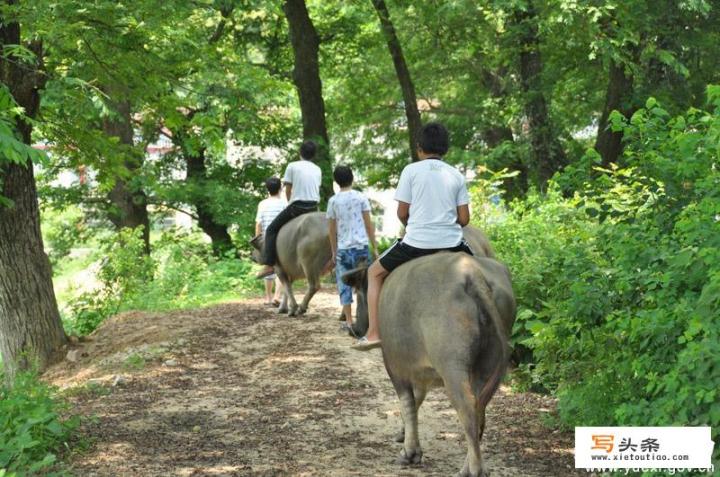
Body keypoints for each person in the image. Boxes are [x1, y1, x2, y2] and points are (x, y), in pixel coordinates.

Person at [353, 122, 472, 351]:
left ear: (419, 148)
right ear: (445, 149)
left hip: (416, 243)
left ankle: (374, 332)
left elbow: (402, 212)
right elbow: (464, 219)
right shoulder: (456, 175)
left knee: (374, 273)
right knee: (483, 275)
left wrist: (415, 225)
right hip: (452, 244)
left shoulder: (410, 171)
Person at [256, 140, 322, 278]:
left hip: (297, 207)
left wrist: (289, 203)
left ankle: (269, 264)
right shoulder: (317, 169)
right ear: (314, 155)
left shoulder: (292, 166)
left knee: (272, 229)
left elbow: (288, 189)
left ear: (300, 152)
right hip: (313, 207)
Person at [327, 165, 377, 333]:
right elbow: (369, 225)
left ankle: (349, 322)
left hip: (343, 249)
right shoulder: (361, 197)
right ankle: (368, 320)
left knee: (344, 285)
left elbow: (331, 230)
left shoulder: (333, 201)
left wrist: (334, 252)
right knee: (364, 285)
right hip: (361, 247)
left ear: (336, 181)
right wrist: (374, 247)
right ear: (352, 178)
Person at [255, 177, 286, 306]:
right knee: (280, 267)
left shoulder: (262, 204)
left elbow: (258, 224)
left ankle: (267, 297)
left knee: (268, 266)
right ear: (280, 188)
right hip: (281, 238)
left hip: (266, 239)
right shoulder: (284, 204)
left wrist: (258, 240)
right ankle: (277, 296)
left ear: (267, 189)